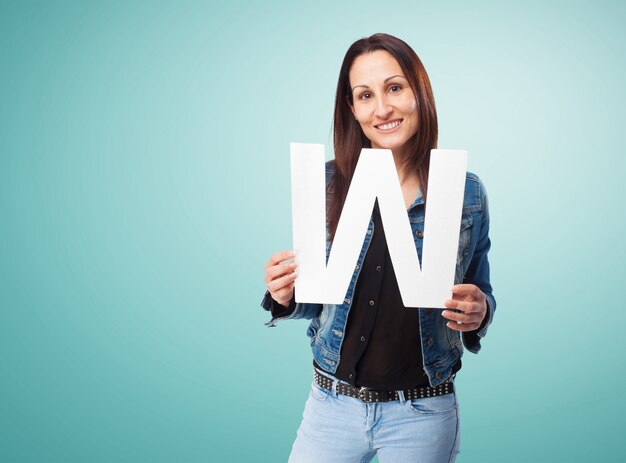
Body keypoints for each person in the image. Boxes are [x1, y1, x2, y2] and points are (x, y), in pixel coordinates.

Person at [261, 33, 496, 463]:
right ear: (352, 109)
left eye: (394, 87)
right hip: (331, 406)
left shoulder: (465, 192)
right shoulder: (327, 184)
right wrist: (285, 296)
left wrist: (480, 312)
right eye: (365, 95)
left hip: (423, 412)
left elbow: (481, 291)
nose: (382, 108)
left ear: (418, 93)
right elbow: (319, 301)